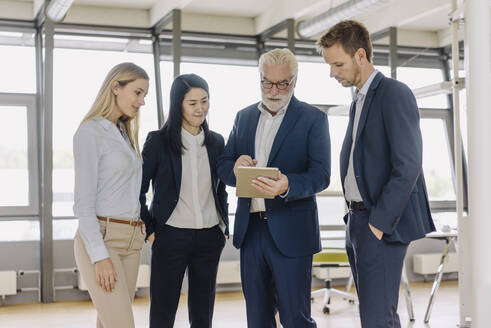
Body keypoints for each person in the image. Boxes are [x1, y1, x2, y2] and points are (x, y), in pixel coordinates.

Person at [317, 20, 436, 328]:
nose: (332, 73)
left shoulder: (393, 94)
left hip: (378, 224)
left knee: (377, 319)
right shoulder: (358, 99)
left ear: (360, 55)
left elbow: (408, 165)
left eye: (337, 64)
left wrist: (378, 225)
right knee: (376, 316)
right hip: (356, 221)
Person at [217, 48, 331, 328]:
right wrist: (235, 167)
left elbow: (321, 174)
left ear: (294, 81)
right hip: (251, 231)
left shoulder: (313, 119)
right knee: (257, 318)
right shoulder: (243, 117)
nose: (274, 90)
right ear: (260, 79)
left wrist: (286, 185)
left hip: (292, 232)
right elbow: (223, 166)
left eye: (282, 84)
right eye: (267, 82)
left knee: (295, 318)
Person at [139, 73, 228, 328]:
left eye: (205, 101)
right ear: (178, 104)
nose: (200, 109)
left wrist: (223, 227)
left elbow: (220, 188)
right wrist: (152, 231)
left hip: (209, 236)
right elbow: (139, 190)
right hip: (170, 237)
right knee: (163, 312)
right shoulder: (158, 141)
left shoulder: (216, 142)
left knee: (203, 313)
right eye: (192, 103)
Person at [73, 62, 149, 328]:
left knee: (109, 323)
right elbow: (83, 203)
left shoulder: (124, 133)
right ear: (116, 87)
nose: (141, 101)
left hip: (131, 242)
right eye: (137, 93)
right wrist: (99, 255)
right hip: (103, 240)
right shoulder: (90, 132)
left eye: (144, 96)